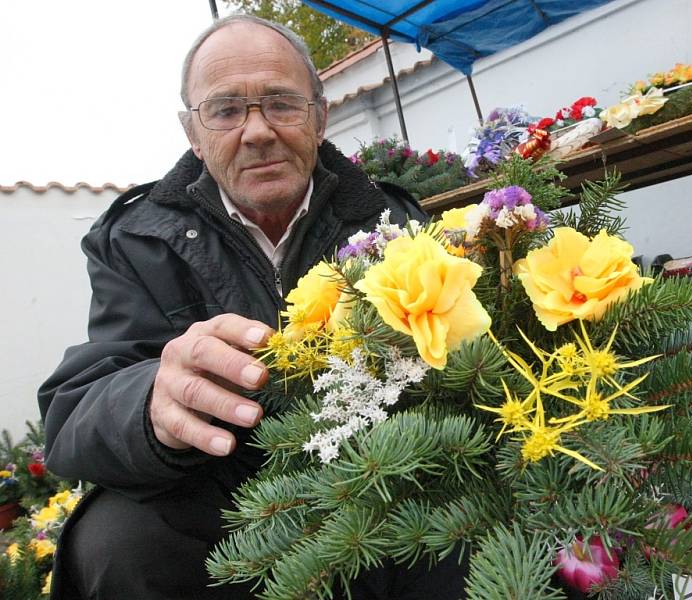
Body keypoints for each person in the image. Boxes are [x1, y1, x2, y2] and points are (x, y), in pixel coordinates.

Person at [38, 14, 467, 600]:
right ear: (194, 133)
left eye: (281, 103)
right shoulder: (136, 239)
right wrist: (152, 404)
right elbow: (77, 409)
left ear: (319, 118)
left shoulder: (393, 222)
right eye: (226, 110)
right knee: (114, 540)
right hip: (227, 497)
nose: (258, 131)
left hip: (387, 484)